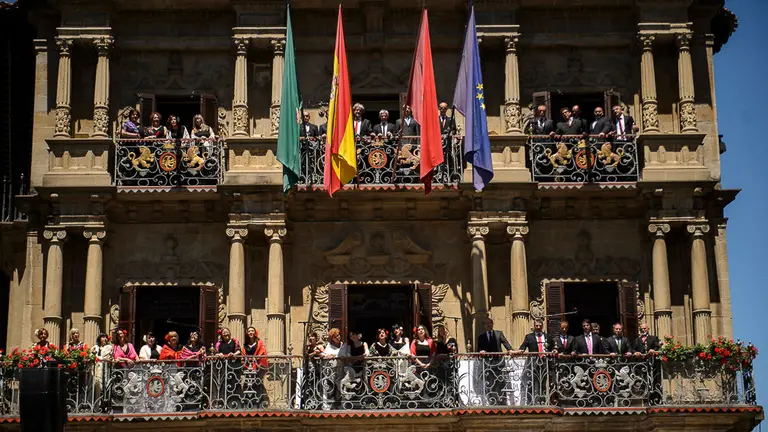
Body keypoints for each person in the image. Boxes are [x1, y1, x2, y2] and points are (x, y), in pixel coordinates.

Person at [241, 326, 268, 408]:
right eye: (249, 331)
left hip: (257, 366)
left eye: (252, 331)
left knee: (257, 383)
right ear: (247, 333)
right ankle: (249, 403)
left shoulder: (259, 343)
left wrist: (255, 359)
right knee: (248, 384)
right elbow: (243, 354)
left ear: (255, 332)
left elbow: (262, 352)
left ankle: (259, 403)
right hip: (248, 366)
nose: (250, 332)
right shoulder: (245, 345)